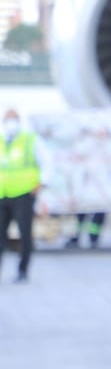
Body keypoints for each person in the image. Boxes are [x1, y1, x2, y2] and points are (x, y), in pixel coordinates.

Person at [1, 108, 45, 283]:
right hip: (2, 194)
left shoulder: (30, 140)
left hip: (23, 195)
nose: (11, 122)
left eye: (14, 119)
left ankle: (23, 271)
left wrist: (41, 183)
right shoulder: (1, 141)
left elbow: (47, 161)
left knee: (24, 234)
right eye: (8, 119)